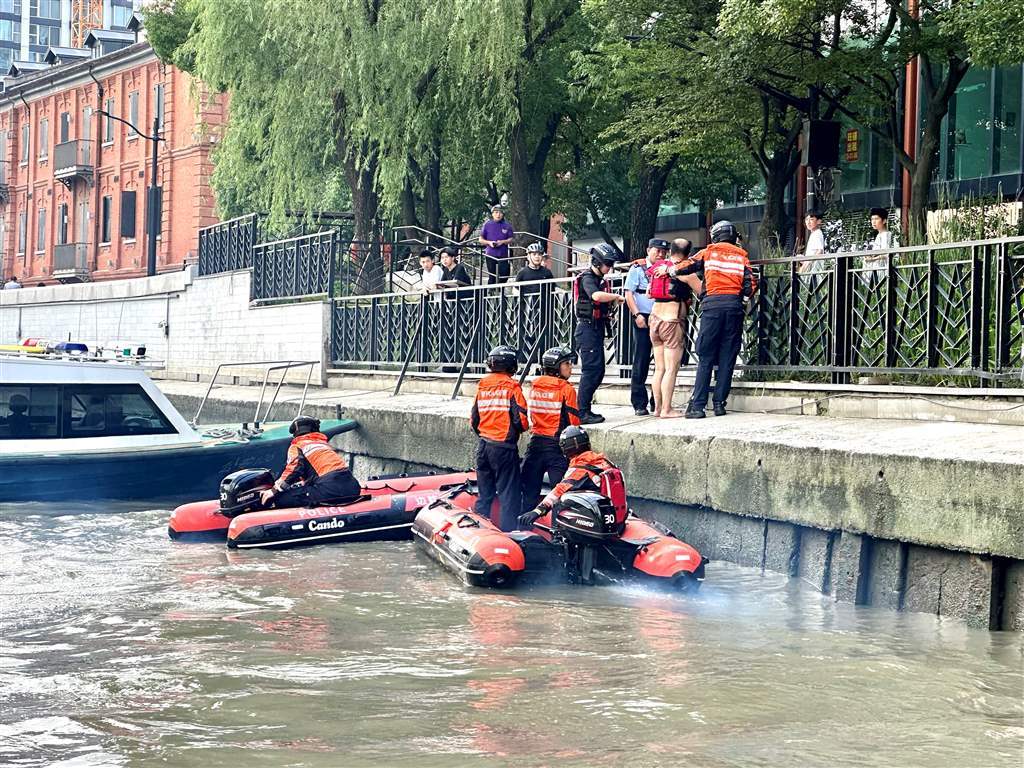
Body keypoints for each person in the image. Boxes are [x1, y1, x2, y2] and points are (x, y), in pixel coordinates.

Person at [672, 220, 757, 418]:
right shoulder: (742, 256)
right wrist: (743, 300)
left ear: (716, 236)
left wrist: (671, 270)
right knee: (728, 357)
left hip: (713, 307)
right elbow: (751, 282)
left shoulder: (709, 252)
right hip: (734, 307)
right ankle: (720, 405)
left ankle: (698, 406)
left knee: (706, 356)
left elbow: (688, 265)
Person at [471, 345, 529, 531]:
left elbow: (474, 419)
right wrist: (522, 429)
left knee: (485, 495)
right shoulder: (511, 386)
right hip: (503, 448)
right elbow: (520, 419)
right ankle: (508, 535)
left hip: (483, 446)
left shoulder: (483, 385)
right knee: (508, 496)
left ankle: (478, 531)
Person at [517, 425, 617, 527]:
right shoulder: (605, 462)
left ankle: (556, 537)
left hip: (597, 517)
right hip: (613, 514)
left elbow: (560, 490)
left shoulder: (580, 468)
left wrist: (538, 511)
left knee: (562, 501)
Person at [520, 345, 580, 511]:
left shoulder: (536, 385)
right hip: (557, 447)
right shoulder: (566, 389)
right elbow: (573, 423)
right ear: (556, 367)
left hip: (536, 444)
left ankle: (523, 528)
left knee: (529, 492)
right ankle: (556, 532)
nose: (570, 367)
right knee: (560, 495)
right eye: (567, 363)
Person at [574, 244, 626, 425]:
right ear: (597, 262)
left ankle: (583, 408)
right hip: (587, 329)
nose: (609, 267)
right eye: (607, 263)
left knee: (599, 370)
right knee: (591, 370)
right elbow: (595, 296)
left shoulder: (600, 279)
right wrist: (616, 297)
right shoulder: (587, 278)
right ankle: (582, 411)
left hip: (596, 328)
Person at [260, 416, 361, 508]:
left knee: (280, 500)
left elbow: (295, 469)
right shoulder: (323, 445)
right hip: (352, 487)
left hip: (329, 490)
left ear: (296, 432)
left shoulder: (298, 446)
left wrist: (274, 490)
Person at [648, 238, 696, 418]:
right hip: (671, 321)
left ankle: (657, 408)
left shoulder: (659, 269)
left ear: (670, 251)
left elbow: (649, 293)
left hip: (654, 320)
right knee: (670, 368)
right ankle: (667, 409)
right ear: (688, 253)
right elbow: (702, 291)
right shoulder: (684, 270)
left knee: (659, 368)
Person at [625, 238, 667, 415]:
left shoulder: (666, 268)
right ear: (648, 250)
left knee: (662, 362)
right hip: (643, 316)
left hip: (662, 315)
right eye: (657, 251)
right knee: (641, 360)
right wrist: (637, 315)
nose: (660, 254)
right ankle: (639, 403)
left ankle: (656, 401)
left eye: (663, 252)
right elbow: (629, 294)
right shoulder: (637, 269)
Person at [479, 205, 515, 284]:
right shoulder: (487, 225)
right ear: (492, 214)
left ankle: (500, 291)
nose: (498, 214)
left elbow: (511, 239)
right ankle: (491, 292)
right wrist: (489, 243)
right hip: (490, 254)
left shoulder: (507, 225)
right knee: (492, 276)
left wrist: (502, 242)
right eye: (496, 212)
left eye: (500, 212)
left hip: (503, 254)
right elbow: (480, 239)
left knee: (504, 274)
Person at [864, 207, 897, 278]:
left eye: (876, 219)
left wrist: (872, 259)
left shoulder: (886, 234)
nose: (873, 222)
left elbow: (886, 254)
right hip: (876, 269)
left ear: (884, 221)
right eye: (872, 219)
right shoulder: (878, 235)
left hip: (882, 269)